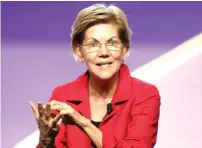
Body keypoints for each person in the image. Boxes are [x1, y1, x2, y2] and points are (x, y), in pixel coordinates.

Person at [29, 3, 161, 148]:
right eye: (93, 44)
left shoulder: (144, 95)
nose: (103, 52)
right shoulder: (63, 95)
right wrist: (46, 141)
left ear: (124, 50)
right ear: (79, 51)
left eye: (112, 43)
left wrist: (83, 122)